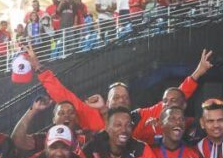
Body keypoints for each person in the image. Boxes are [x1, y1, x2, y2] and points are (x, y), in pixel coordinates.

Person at [26, 45, 212, 136]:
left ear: (130, 102)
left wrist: (197, 73)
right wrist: (38, 68)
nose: (121, 100)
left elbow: (173, 101)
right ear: (108, 102)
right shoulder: (90, 114)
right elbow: (62, 94)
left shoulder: (139, 118)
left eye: (125, 97)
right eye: (116, 98)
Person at [11, 97, 88, 156]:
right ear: (54, 120)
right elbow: (17, 140)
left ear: (76, 118)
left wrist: (100, 109)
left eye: (71, 112)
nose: (66, 116)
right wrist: (33, 109)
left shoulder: (86, 136)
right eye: (61, 113)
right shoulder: (45, 139)